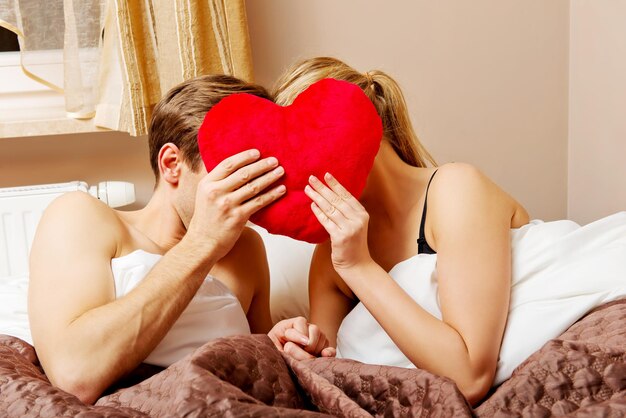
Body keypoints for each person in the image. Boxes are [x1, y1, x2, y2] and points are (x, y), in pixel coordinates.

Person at [268, 57, 626, 406]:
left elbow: (468, 376)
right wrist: (304, 344)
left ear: (355, 127)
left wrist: (360, 268)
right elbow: (328, 377)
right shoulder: (330, 257)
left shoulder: (454, 189)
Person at [27, 75, 288, 404]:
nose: (250, 191)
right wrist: (201, 245)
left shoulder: (246, 249)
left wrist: (281, 348)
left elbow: (263, 381)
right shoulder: (83, 216)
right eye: (233, 173)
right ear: (172, 164)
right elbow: (75, 374)